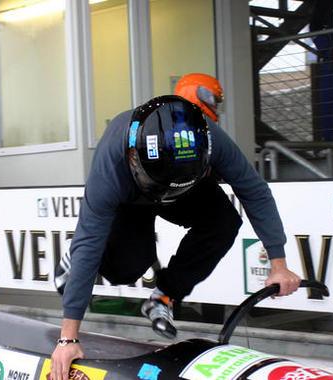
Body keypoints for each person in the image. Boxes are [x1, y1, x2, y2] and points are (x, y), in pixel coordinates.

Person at [50, 96, 300, 379]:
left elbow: (253, 190)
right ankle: (70, 258)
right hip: (132, 197)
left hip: (184, 186)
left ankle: (164, 296)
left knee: (224, 222)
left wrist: (278, 263)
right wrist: (68, 339)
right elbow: (90, 239)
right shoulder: (110, 168)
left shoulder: (209, 138)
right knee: (126, 268)